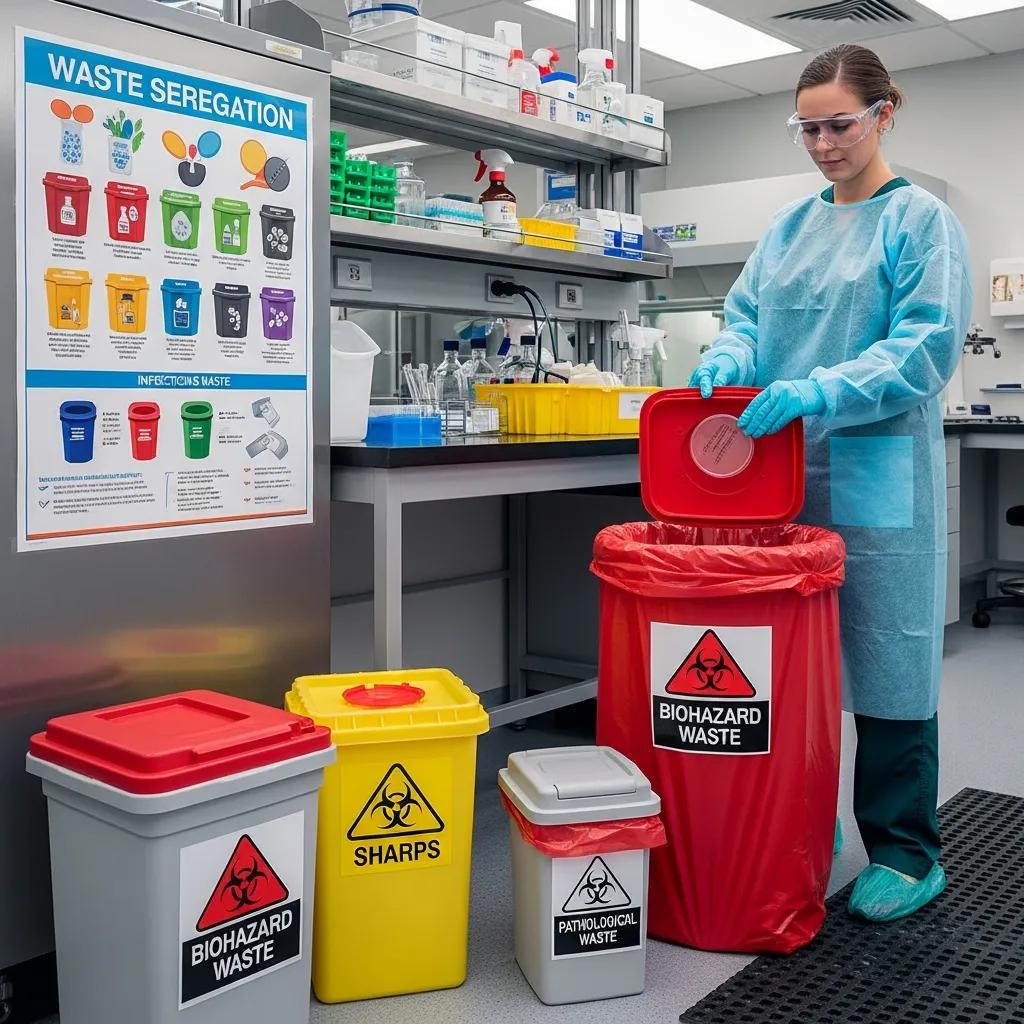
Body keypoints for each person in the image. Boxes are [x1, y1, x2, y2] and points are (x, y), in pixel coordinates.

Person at [690, 44, 972, 922]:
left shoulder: (920, 222)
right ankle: (797, 828)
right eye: (806, 127)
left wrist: (821, 389)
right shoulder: (785, 230)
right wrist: (731, 352)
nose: (821, 143)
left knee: (888, 658)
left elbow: (924, 347)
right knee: (786, 662)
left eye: (838, 124)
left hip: (877, 468)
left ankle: (906, 849)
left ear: (886, 113)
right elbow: (745, 315)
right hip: (779, 477)